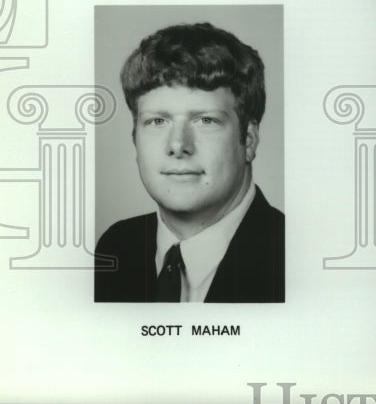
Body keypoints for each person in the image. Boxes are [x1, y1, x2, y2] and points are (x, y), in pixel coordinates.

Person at [95, 23, 285, 302]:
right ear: (135, 138)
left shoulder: (292, 258)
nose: (178, 146)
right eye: (157, 121)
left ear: (249, 139)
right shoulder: (116, 247)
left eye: (205, 120)